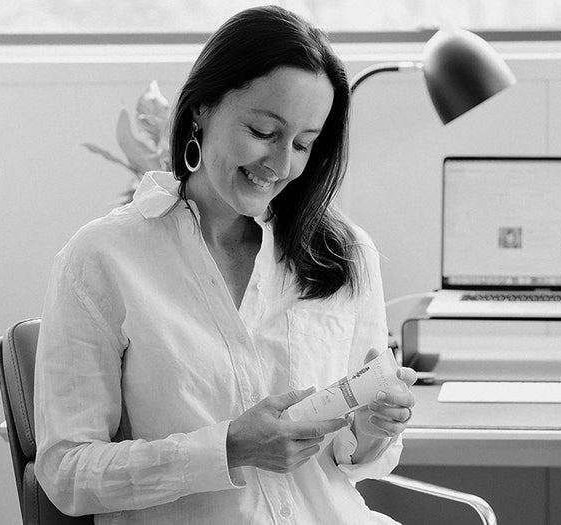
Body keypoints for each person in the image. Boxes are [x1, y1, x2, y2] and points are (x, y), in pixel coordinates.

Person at [33, 6, 416, 523]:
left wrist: (372, 428)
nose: (281, 166)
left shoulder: (343, 253)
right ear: (202, 110)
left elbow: (352, 463)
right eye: (262, 131)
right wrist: (228, 448)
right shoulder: (103, 258)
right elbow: (67, 475)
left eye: (303, 144)